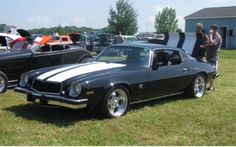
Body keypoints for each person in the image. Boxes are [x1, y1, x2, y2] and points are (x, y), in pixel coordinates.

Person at [207, 24, 222, 91]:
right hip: (208, 56)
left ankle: (213, 87)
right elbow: (209, 43)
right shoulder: (212, 36)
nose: (210, 31)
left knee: (213, 73)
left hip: (214, 57)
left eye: (211, 29)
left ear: (215, 29)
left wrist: (210, 35)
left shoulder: (218, 37)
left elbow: (212, 43)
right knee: (210, 72)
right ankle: (211, 86)